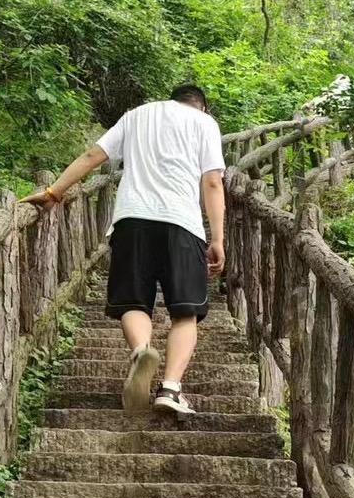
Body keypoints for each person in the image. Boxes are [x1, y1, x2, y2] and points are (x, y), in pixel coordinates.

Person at [21, 84, 226, 415]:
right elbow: (213, 182)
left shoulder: (136, 116)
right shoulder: (205, 123)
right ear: (202, 106)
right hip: (182, 224)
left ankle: (141, 351)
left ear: (172, 99)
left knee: (133, 302)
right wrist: (217, 238)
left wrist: (54, 192)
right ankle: (170, 390)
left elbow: (92, 156)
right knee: (185, 312)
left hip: (131, 221)